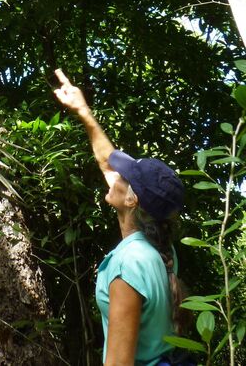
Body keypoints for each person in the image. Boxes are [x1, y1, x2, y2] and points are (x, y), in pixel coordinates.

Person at [52, 69, 191, 366]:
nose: (113, 176)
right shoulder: (161, 251)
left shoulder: (129, 264)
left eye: (124, 177)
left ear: (131, 199)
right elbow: (107, 161)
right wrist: (83, 112)